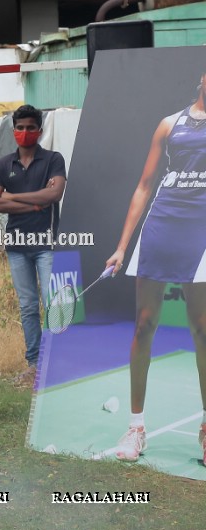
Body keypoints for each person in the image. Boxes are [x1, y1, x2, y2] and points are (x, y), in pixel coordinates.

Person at [104, 72, 206, 463]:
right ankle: (135, 428)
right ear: (200, 78)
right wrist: (121, 247)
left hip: (200, 233)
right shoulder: (169, 124)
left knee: (203, 329)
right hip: (161, 226)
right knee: (145, 323)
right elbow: (145, 186)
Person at [0, 105, 66, 370]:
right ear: (14, 132)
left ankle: (56, 363)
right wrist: (34, 203)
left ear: (39, 131)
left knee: (52, 304)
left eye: (30, 128)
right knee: (28, 307)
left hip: (46, 244)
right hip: (17, 245)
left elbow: (54, 196)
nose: (25, 132)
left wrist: (12, 196)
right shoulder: (3, 165)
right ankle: (34, 363)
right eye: (20, 128)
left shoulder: (54, 160)